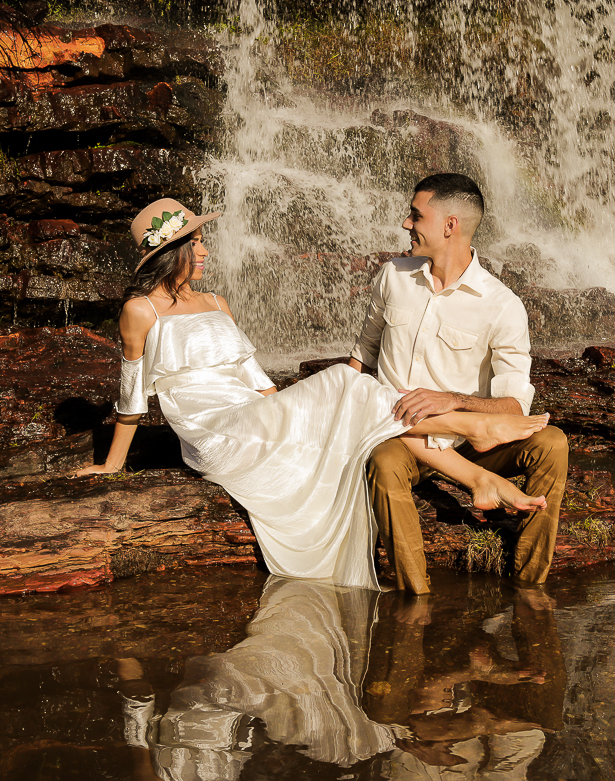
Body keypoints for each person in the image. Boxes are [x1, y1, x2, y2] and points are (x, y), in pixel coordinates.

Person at [77, 197, 551, 590]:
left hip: (253, 418)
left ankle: (478, 472)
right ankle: (473, 433)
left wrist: (296, 410)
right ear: (172, 250)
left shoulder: (217, 303)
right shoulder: (140, 310)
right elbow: (132, 398)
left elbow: (256, 379)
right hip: (212, 433)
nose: (204, 250)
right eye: (196, 242)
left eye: (202, 241)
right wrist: (113, 464)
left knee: (343, 396)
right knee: (346, 380)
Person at [349, 173, 569, 595]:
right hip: (400, 437)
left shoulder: (502, 305)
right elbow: (363, 354)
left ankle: (529, 585)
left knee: (553, 443)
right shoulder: (393, 276)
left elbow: (513, 408)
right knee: (384, 461)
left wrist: (453, 401)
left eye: (416, 215)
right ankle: (417, 597)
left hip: (467, 442)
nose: (406, 224)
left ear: (450, 225)